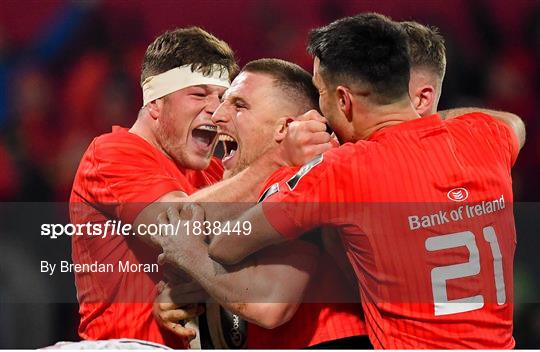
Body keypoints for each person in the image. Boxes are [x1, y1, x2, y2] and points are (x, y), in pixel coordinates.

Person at [169, 13, 525, 349]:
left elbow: (225, 245)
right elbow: (515, 123)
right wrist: (418, 126)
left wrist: (190, 256)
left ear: (343, 99)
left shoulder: (341, 170)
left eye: (321, 95)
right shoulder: (484, 136)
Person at [69, 27, 325, 348]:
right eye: (199, 94)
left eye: (222, 98)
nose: (216, 112)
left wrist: (185, 290)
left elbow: (233, 261)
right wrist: (278, 157)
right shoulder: (112, 152)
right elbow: (175, 227)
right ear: (156, 104)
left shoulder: (218, 174)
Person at [155, 58, 369, 349]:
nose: (217, 115)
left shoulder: (301, 182)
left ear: (287, 128)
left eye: (239, 105)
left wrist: (192, 257)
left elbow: (270, 306)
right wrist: (187, 291)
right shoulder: (245, 188)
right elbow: (174, 226)